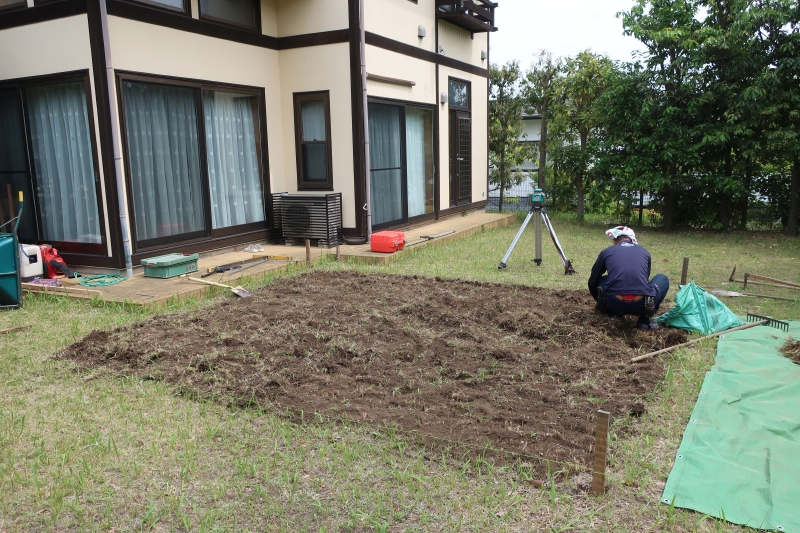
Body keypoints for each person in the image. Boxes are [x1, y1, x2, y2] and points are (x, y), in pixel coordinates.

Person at [587, 226, 669, 330]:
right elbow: (645, 280)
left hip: (614, 303)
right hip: (642, 305)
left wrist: (599, 302)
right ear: (632, 239)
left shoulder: (607, 252)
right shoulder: (645, 252)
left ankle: (610, 312)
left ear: (614, 240)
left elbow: (592, 282)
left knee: (604, 279)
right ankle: (644, 321)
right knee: (662, 278)